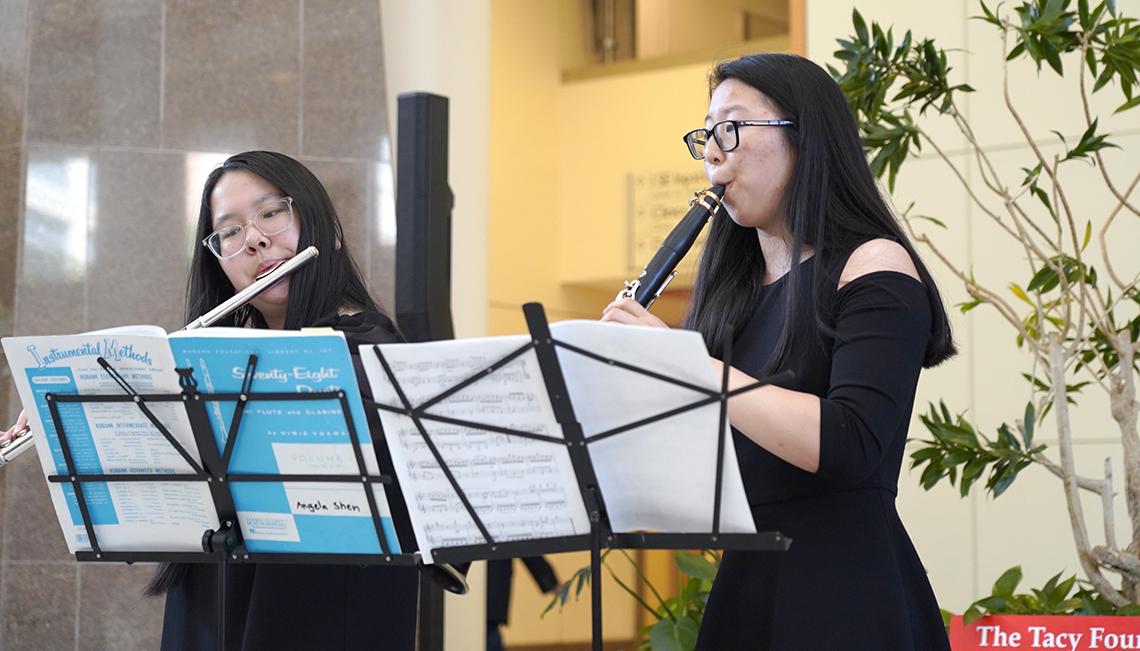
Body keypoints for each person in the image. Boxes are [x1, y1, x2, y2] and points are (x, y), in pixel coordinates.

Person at [601, 53, 955, 650]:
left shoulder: (874, 264)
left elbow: (849, 442)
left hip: (844, 593)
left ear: (804, 137)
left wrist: (683, 368)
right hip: (747, 587)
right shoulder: (731, 294)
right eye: (706, 136)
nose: (713, 152)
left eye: (731, 129)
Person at [152, 150, 419, 650]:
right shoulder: (208, 363)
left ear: (328, 231)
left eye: (272, 213)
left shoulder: (370, 349)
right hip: (215, 607)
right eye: (229, 231)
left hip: (318, 620)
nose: (254, 239)